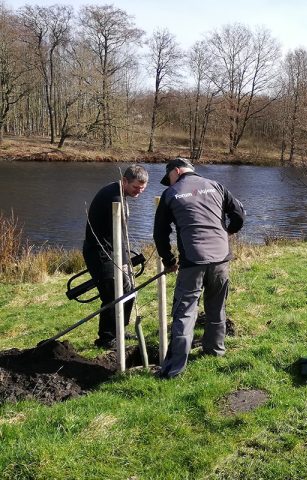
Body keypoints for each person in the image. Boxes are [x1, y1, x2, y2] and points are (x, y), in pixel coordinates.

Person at [153, 158, 245, 379]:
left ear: (176, 171)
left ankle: (174, 369)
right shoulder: (216, 185)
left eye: (170, 178)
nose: (169, 183)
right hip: (221, 258)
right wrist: (228, 232)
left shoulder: (171, 194)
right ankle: (215, 351)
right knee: (216, 306)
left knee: (184, 312)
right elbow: (239, 214)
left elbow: (160, 234)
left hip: (193, 261)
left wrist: (168, 260)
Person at [83, 164, 148, 349]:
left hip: (113, 251)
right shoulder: (114, 198)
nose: (139, 192)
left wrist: (126, 261)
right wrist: (124, 263)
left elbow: (121, 235)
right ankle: (106, 338)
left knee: (129, 291)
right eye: (136, 187)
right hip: (100, 253)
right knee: (113, 295)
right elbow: (118, 235)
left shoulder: (119, 192)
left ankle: (120, 329)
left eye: (142, 189)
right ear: (125, 181)